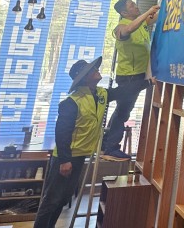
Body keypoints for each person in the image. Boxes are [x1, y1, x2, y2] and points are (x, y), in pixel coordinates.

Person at [33, 57, 148, 228]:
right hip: (66, 158)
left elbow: (123, 91)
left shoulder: (101, 94)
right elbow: (62, 132)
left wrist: (147, 83)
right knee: (51, 200)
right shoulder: (72, 102)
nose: (97, 70)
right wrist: (64, 160)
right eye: (92, 70)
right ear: (85, 77)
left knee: (63, 199)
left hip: (80, 156)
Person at [100, 0, 160, 159]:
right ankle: (110, 147)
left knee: (122, 111)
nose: (136, 6)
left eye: (134, 3)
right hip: (128, 76)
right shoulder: (120, 27)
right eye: (132, 5)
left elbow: (155, 16)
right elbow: (128, 30)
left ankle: (106, 144)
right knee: (123, 112)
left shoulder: (141, 23)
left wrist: (162, 0)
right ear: (124, 12)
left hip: (138, 74)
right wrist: (148, 12)